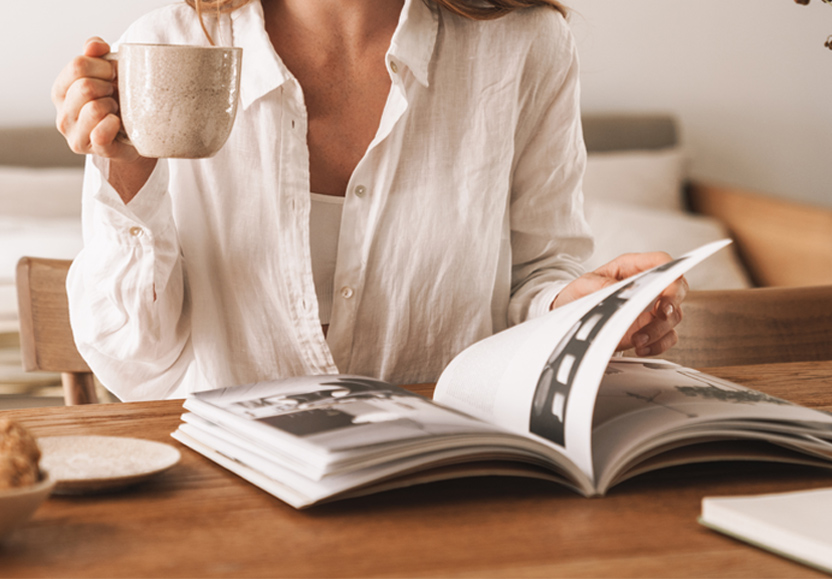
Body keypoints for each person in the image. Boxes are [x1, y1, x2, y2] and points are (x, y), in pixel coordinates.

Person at [51, 0, 687, 401]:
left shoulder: (528, 45)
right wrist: (128, 172)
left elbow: (537, 273)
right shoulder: (166, 47)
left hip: (450, 471)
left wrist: (572, 305)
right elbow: (133, 358)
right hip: (226, 484)